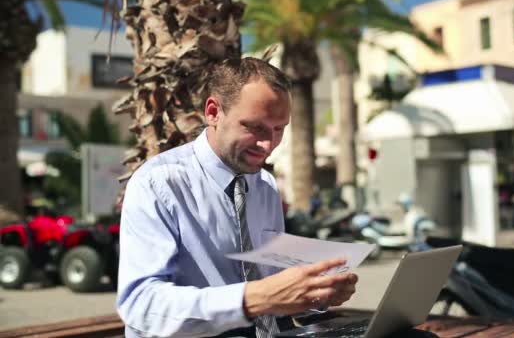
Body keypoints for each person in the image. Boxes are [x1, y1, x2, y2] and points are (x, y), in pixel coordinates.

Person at [116, 57, 358, 338]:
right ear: (213, 112)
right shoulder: (159, 184)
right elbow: (141, 306)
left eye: (279, 129)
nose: (268, 144)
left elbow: (274, 291)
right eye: (255, 127)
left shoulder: (264, 185)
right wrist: (253, 299)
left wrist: (315, 294)